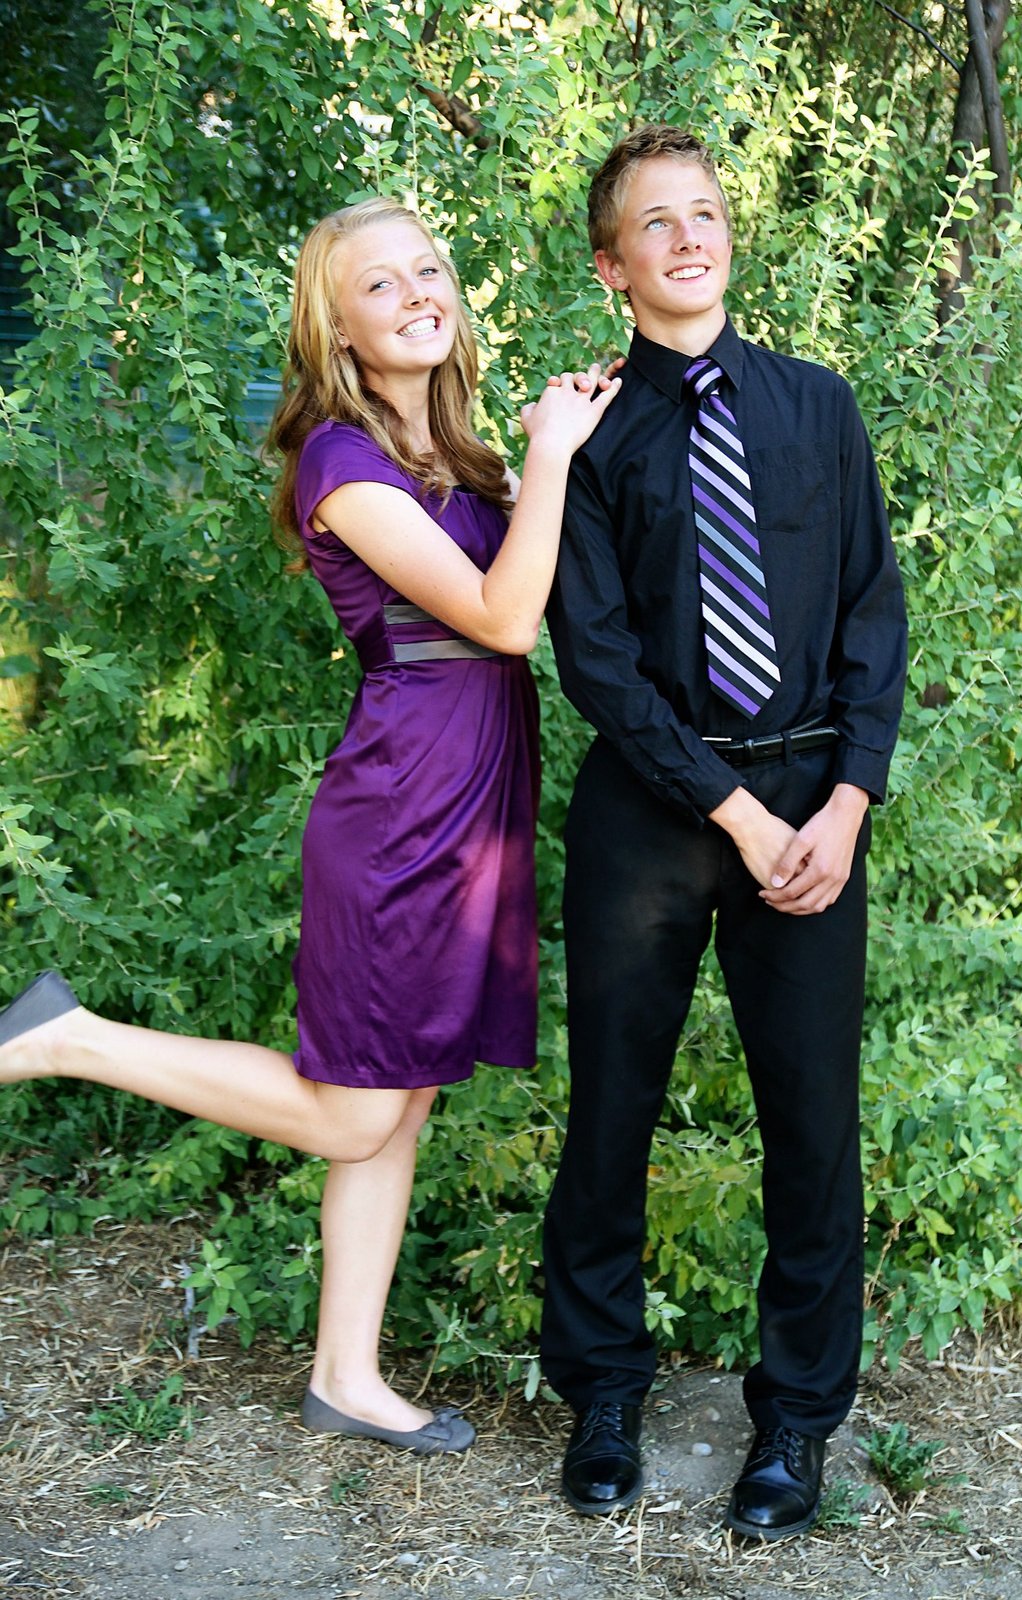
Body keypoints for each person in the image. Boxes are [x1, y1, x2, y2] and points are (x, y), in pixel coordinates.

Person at [0, 198, 619, 1456]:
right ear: (336, 330)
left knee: (403, 1102)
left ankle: (346, 1375)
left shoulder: (456, 456)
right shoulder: (343, 463)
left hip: (471, 807)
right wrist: (554, 456)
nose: (417, 292)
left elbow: (537, 574)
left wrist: (554, 444)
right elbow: (505, 619)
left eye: (428, 268)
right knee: (352, 1111)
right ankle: (70, 1037)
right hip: (401, 814)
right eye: (379, 284)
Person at [540, 125, 907, 1538]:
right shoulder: (590, 434)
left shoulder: (818, 406)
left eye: (705, 213)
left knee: (812, 1120)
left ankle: (797, 1417)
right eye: (657, 221)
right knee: (611, 1110)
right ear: (611, 264)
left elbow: (872, 610)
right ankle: (603, 1391)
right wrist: (736, 814)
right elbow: (596, 658)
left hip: (814, 811)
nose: (689, 237)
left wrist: (848, 801)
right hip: (654, 809)